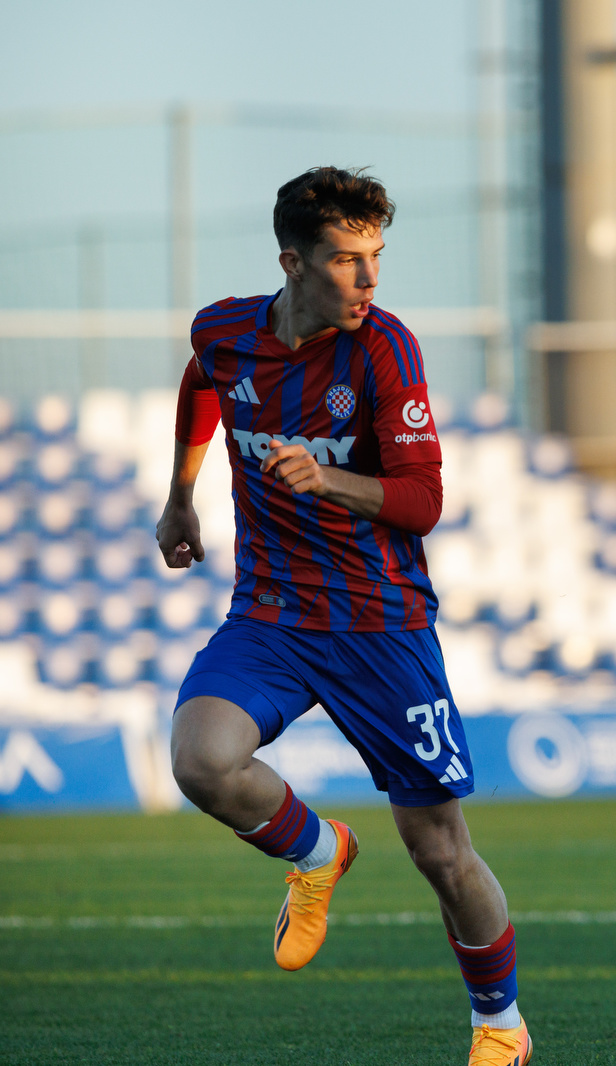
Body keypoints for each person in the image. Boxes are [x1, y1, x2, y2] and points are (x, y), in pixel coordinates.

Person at [156, 167, 529, 1066]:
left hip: (380, 624)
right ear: (293, 262)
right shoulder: (226, 330)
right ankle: (319, 852)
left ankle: (500, 1028)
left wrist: (328, 478)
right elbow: (203, 380)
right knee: (202, 761)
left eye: (377, 258)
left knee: (440, 851)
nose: (369, 281)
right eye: (347, 260)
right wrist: (181, 494)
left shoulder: (384, 349)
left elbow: (422, 500)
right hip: (274, 616)